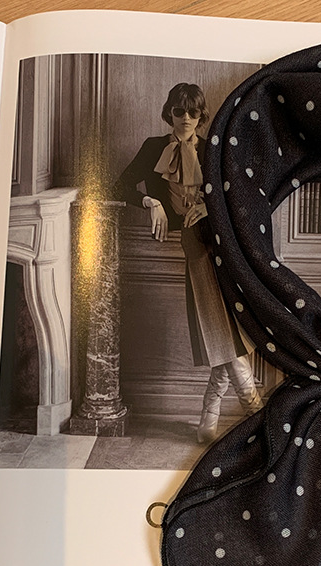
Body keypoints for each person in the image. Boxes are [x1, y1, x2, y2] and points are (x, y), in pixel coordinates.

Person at [113, 82, 262, 443]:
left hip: (227, 243)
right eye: (179, 111)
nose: (186, 118)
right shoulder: (153, 148)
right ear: (169, 113)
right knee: (219, 325)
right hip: (193, 243)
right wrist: (151, 202)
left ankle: (211, 415)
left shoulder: (212, 149)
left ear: (201, 115)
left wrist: (210, 206)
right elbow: (118, 187)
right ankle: (254, 411)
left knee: (227, 328)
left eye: (193, 112)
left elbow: (240, 192)